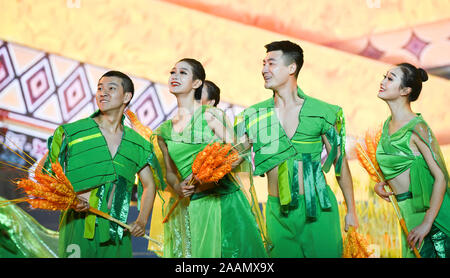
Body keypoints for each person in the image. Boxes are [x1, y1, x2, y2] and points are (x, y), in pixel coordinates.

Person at [234, 40, 358, 258]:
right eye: (263, 63)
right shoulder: (253, 115)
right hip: (277, 212)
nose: (264, 69)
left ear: (292, 68)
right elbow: (232, 158)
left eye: (271, 63)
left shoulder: (323, 112)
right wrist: (198, 176)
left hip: (319, 208)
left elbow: (340, 164)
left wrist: (352, 210)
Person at [153, 58, 267, 258]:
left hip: (225, 202)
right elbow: (170, 174)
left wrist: (213, 173)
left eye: (182, 73)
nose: (174, 76)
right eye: (172, 72)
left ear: (197, 83)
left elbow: (238, 151)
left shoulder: (210, 115)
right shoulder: (163, 131)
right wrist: (178, 186)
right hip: (195, 205)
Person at [42, 70, 159, 258]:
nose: (102, 93)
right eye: (99, 88)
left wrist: (142, 220)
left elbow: (149, 184)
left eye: (111, 88)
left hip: (117, 228)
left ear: (126, 97)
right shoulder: (75, 132)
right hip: (78, 225)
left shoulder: (139, 144)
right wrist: (69, 200)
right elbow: (45, 173)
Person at [374, 63, 450, 258]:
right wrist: (383, 184)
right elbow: (401, 165)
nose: (382, 82)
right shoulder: (386, 125)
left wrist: (426, 223)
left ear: (406, 90)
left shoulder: (418, 127)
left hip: (431, 217)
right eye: (385, 76)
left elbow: (441, 177)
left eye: (390, 79)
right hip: (406, 213)